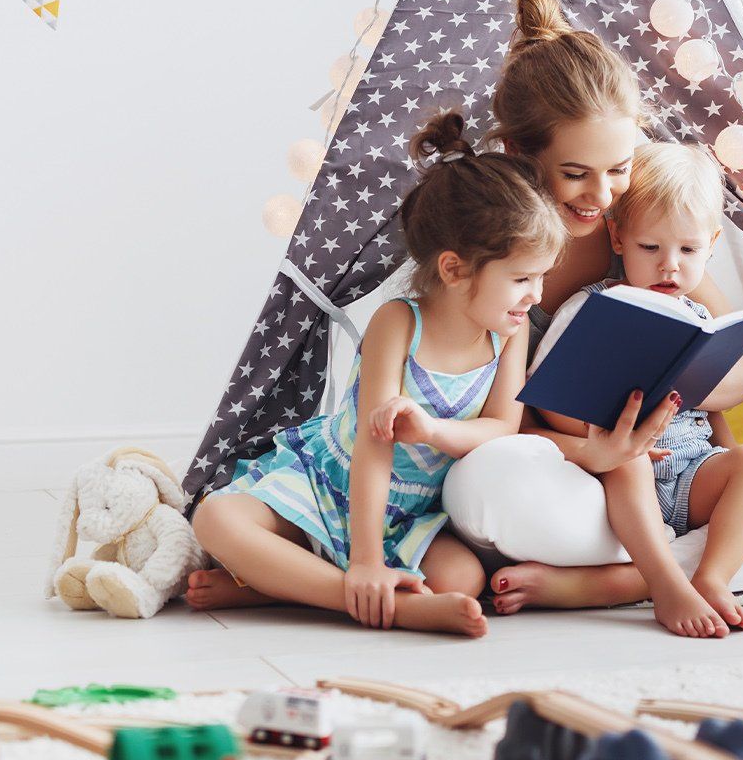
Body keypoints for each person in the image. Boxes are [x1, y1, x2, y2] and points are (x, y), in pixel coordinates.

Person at [443, 0, 743, 628]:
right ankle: (659, 568)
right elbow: (481, 425)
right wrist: (597, 453)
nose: (601, 196)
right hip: (575, 489)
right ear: (522, 153)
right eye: (576, 174)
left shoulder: (642, 238)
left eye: (619, 169)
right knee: (487, 483)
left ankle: (623, 582)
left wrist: (677, 404)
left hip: (669, 474)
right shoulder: (490, 250)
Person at [187, 110, 567, 638]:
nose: (537, 294)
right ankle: (355, 596)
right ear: (454, 270)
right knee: (217, 518)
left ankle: (278, 587)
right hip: (338, 483)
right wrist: (365, 560)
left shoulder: (510, 331)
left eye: (542, 276)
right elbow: (373, 445)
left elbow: (504, 426)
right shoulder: (400, 322)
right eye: (522, 277)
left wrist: (433, 431)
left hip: (415, 512)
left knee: (462, 577)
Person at [520, 142, 743, 637]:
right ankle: (663, 582)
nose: (670, 267)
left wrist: (731, 455)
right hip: (621, 474)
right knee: (630, 457)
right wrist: (606, 436)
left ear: (712, 244)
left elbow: (705, 411)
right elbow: (544, 399)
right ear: (617, 239)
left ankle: (712, 578)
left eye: (688, 250)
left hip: (690, 474)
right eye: (650, 248)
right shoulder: (592, 307)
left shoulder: (697, 314)